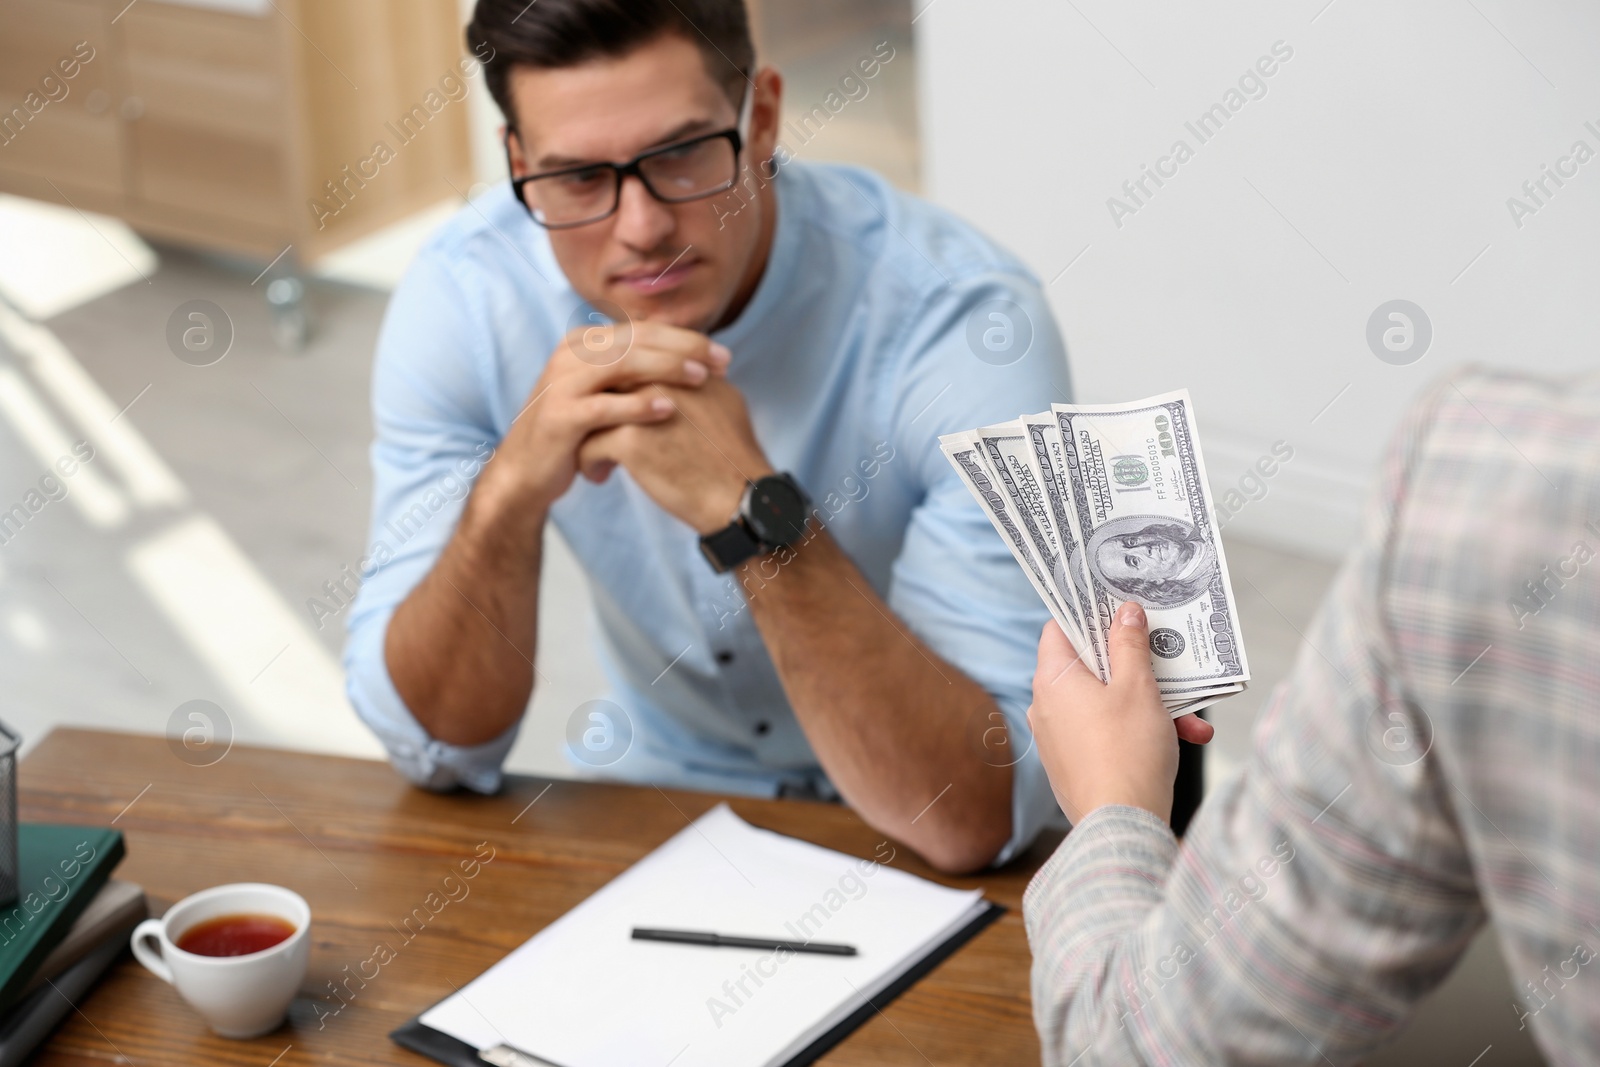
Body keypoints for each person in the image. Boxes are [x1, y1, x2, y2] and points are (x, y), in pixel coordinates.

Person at [343, 0, 1074, 873]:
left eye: (681, 154)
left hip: (911, 825)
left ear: (760, 117)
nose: (641, 228)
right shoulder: (465, 302)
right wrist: (507, 496)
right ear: (517, 162)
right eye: (577, 178)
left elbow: (974, 815)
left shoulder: (962, 322)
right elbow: (434, 750)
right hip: (657, 796)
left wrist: (758, 517)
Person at [1022, 369, 1600, 1064]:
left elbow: (1143, 1047)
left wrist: (1111, 799)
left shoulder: (1485, 484)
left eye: (1143, 547)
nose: (1139, 554)